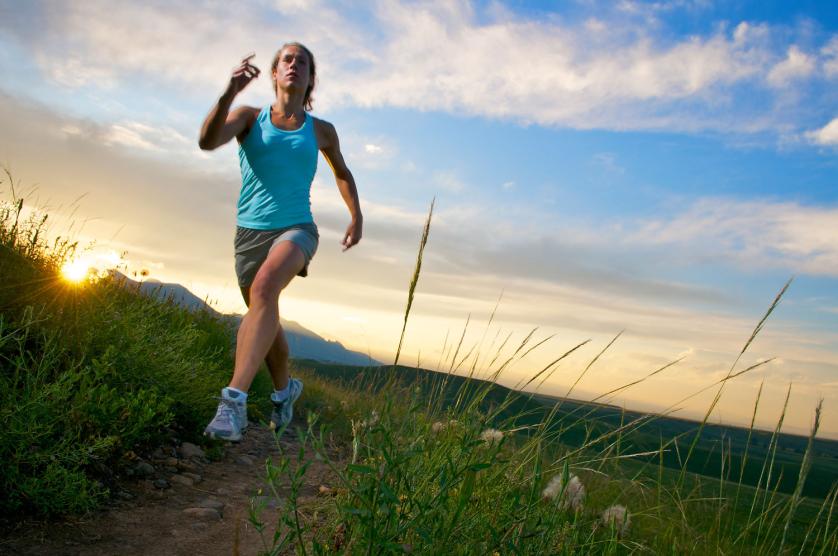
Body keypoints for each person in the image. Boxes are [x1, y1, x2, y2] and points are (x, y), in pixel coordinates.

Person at [198, 43, 362, 441]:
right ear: (274, 73)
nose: (294, 65)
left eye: (302, 61)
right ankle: (284, 390)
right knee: (265, 321)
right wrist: (228, 94)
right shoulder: (249, 118)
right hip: (249, 234)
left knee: (265, 287)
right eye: (287, 60)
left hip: (297, 229)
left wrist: (356, 215)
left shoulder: (320, 130)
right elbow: (207, 142)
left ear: (310, 78)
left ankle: (232, 403)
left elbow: (342, 171)